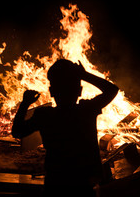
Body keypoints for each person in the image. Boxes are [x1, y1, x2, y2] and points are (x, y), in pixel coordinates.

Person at [12, 59, 119, 197]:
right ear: (79, 91)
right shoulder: (86, 110)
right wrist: (84, 75)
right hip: (83, 184)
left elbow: (17, 131)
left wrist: (25, 103)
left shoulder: (45, 115)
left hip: (55, 184)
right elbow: (112, 90)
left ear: (51, 92)